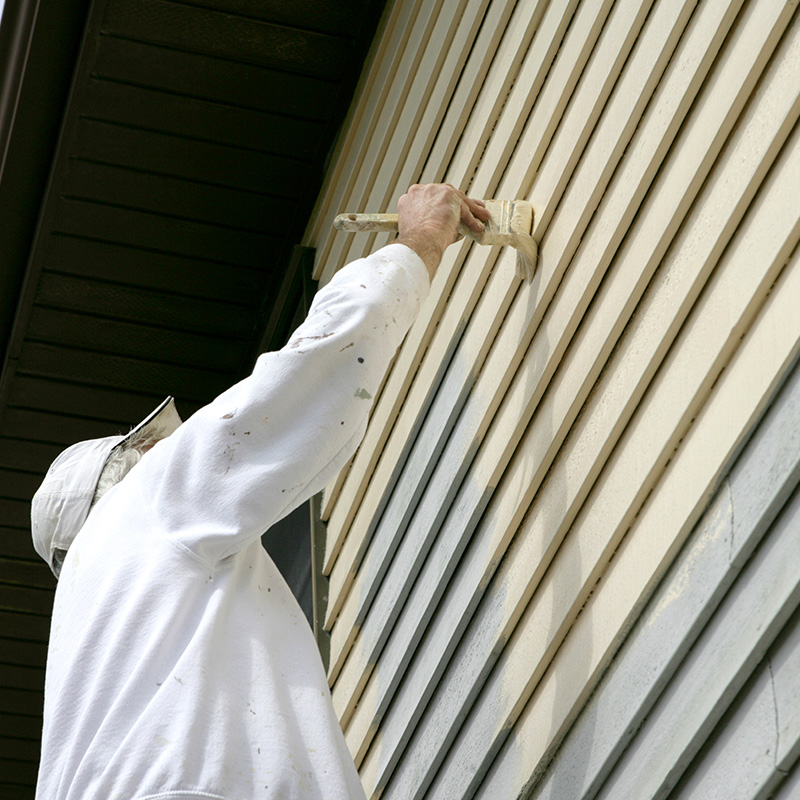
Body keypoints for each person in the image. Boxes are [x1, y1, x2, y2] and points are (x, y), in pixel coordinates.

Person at [31, 184, 491, 800]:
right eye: (152, 449)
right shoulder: (140, 508)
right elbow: (312, 374)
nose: (170, 450)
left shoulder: (84, 645)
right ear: (115, 480)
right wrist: (421, 240)